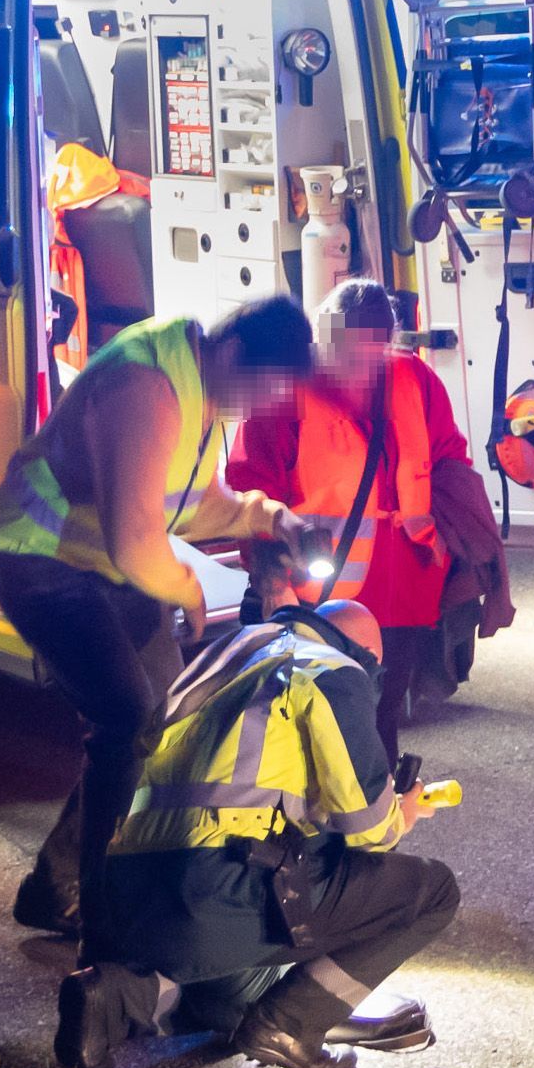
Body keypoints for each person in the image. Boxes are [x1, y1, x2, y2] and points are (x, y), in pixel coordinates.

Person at [0, 301, 315, 964]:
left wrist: (273, 520)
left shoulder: (201, 394)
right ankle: (106, 934)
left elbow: (189, 504)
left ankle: (57, 883)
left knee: (161, 721)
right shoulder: (145, 384)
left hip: (98, 565)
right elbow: (136, 543)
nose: (260, 408)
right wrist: (188, 590)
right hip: (36, 557)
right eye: (265, 388)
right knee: (130, 716)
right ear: (233, 352)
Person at [57, 601, 460, 1068]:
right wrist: (403, 811)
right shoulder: (331, 669)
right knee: (435, 891)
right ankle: (289, 1027)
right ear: (366, 653)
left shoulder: (223, 657)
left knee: (235, 1007)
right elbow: (371, 828)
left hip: (134, 894)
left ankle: (119, 996)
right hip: (223, 888)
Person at [227, 279, 485, 761]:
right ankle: (330, 828)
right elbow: (251, 489)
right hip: (313, 599)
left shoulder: (414, 379)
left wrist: (464, 538)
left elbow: (449, 456)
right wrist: (270, 577)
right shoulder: (281, 393)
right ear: (320, 335)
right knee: (308, 724)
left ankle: (372, 824)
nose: (359, 370)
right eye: (347, 353)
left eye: (373, 354)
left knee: (381, 719)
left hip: (402, 595)